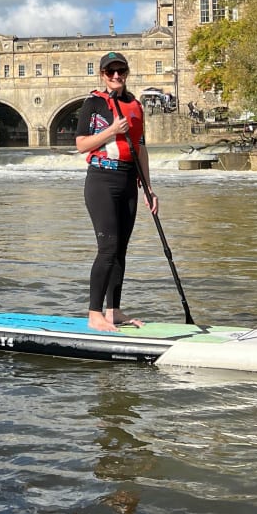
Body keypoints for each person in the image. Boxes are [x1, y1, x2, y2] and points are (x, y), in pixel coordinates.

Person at [74, 52, 159, 332]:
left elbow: (142, 149)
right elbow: (82, 145)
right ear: (102, 74)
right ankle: (94, 313)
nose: (115, 76)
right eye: (110, 71)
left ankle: (114, 311)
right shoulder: (93, 104)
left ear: (126, 73)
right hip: (101, 180)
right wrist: (111, 131)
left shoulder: (134, 105)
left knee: (120, 250)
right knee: (107, 248)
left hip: (128, 181)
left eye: (120, 70)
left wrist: (148, 189)